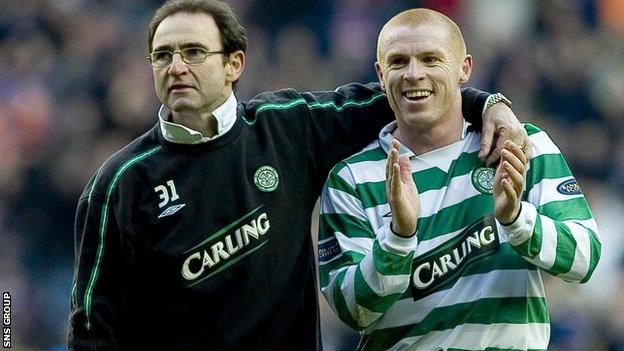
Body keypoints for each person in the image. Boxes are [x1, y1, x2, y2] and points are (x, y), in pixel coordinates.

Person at [67, 1, 527, 350]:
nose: (176, 67)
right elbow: (92, 325)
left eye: (193, 51)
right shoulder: (120, 184)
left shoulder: (285, 126)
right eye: (162, 55)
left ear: (234, 64)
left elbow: (406, 91)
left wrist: (488, 103)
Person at [317, 8, 601, 351]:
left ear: (464, 68)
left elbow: (585, 258)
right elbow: (353, 311)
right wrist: (398, 238)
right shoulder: (351, 179)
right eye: (398, 62)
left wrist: (516, 221)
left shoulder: (521, 146)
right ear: (380, 74)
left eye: (430, 59)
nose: (414, 74)